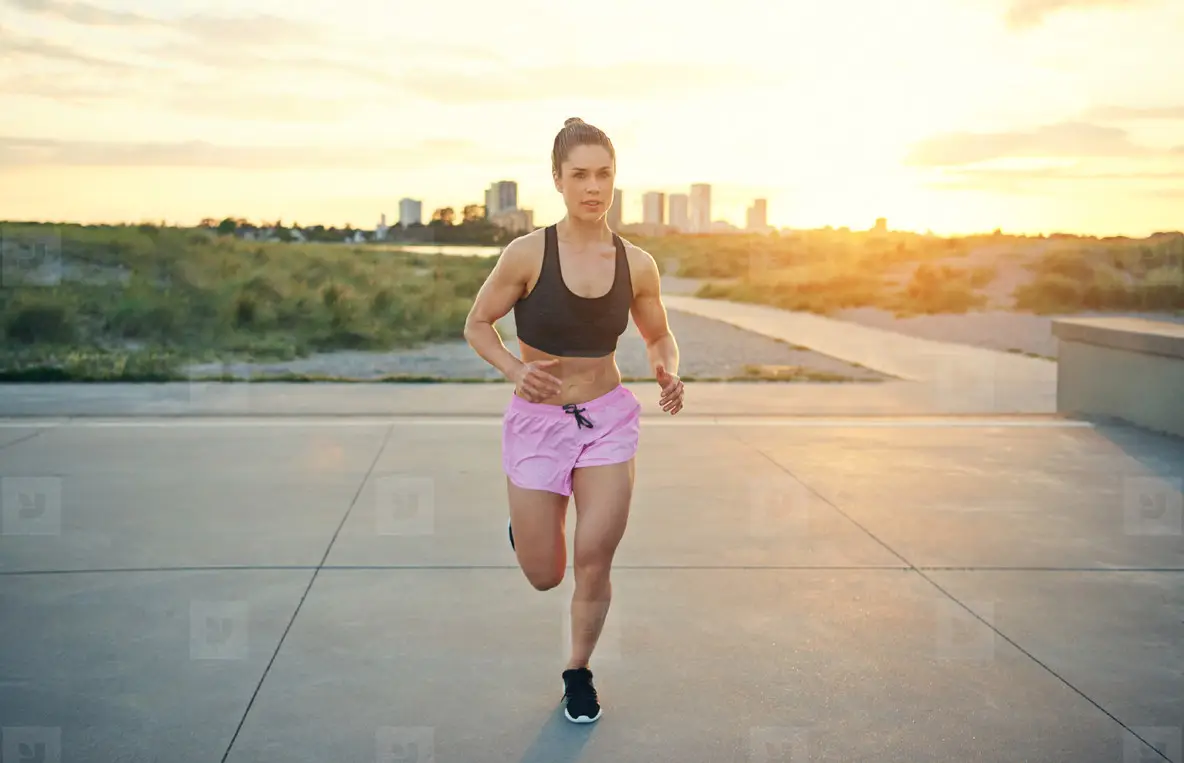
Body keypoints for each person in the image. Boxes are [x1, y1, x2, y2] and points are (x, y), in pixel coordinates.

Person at [463, 117, 685, 723]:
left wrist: (666, 368)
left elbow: (659, 333)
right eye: (579, 175)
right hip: (538, 422)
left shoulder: (637, 263)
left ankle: (578, 672)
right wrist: (514, 370)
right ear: (557, 180)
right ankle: (526, 530)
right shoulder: (527, 253)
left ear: (615, 179)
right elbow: (477, 324)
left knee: (594, 557)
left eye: (604, 174)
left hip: (608, 422)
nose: (593, 187)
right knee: (545, 574)